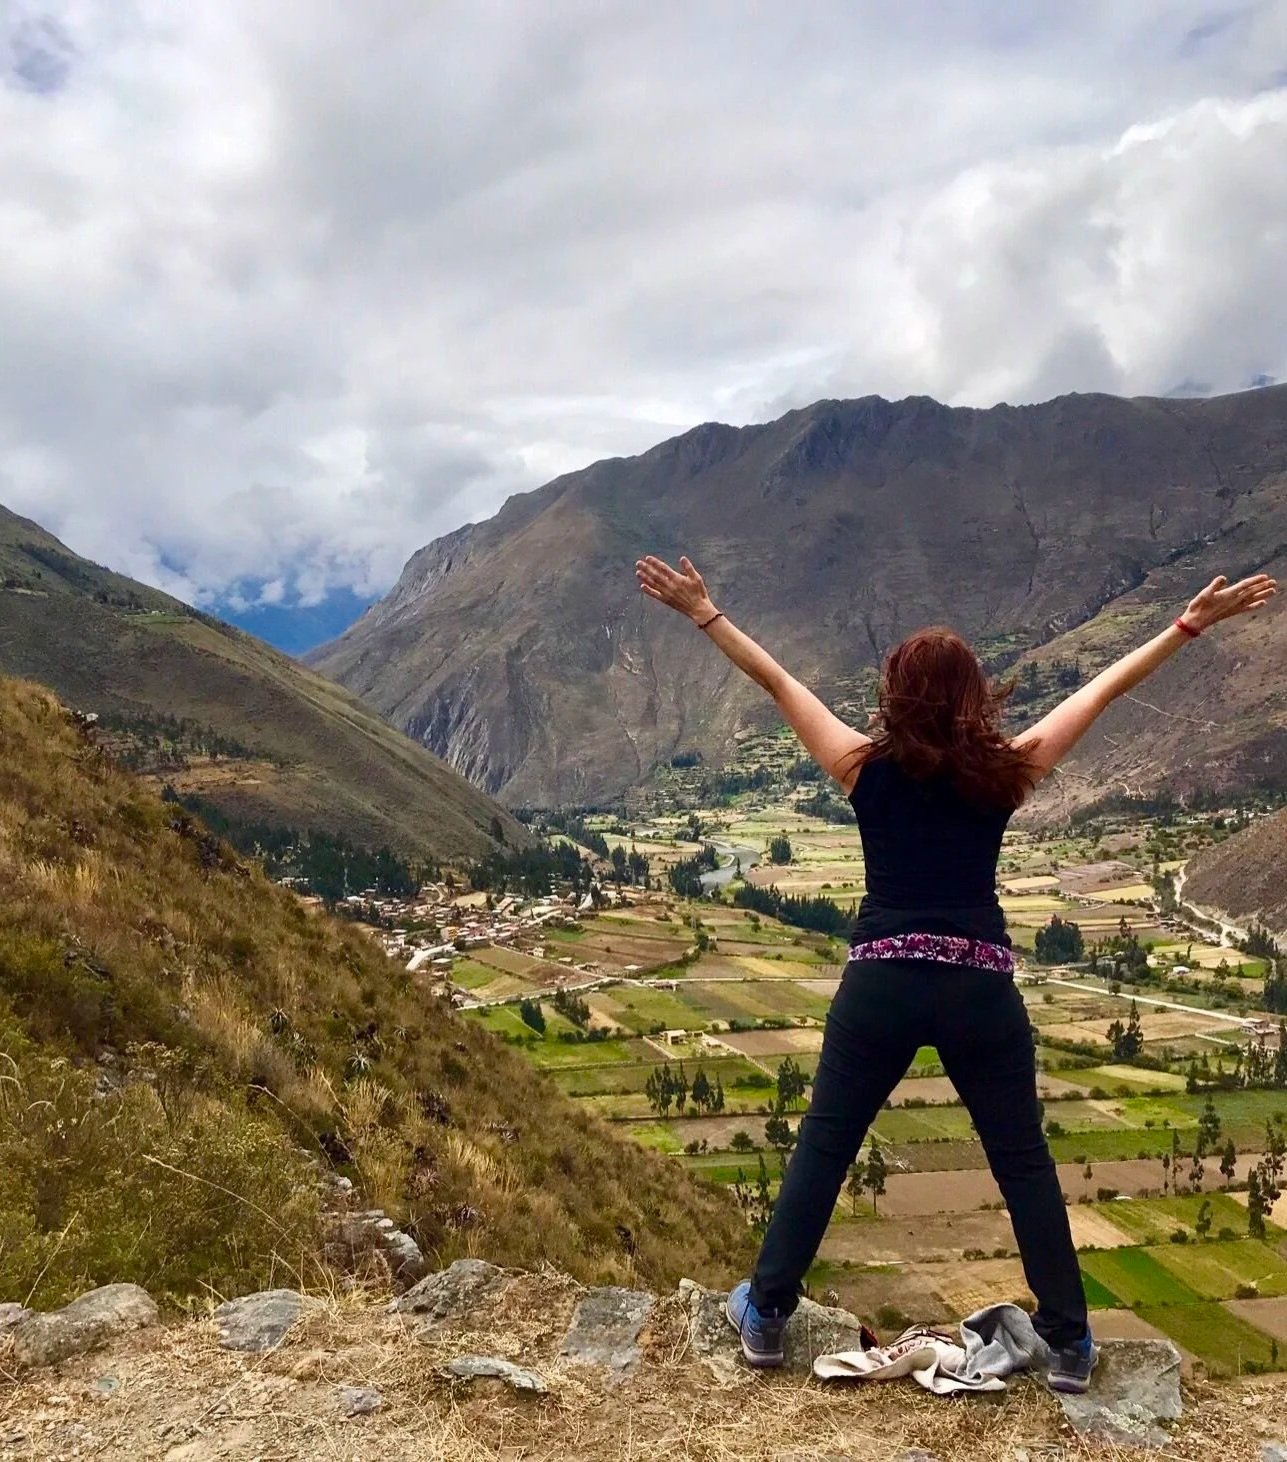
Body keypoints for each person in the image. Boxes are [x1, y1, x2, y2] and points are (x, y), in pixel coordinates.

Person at [635, 554, 1276, 1394]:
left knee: (825, 1149)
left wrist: (703, 612)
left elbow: (776, 682)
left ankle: (763, 1317)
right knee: (1022, 1162)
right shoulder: (1005, 771)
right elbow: (1102, 694)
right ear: (973, 695)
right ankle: (1070, 1345)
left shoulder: (863, 767)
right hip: (979, 989)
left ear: (894, 694)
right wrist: (1186, 626)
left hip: (880, 985)